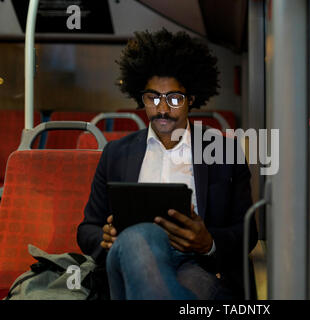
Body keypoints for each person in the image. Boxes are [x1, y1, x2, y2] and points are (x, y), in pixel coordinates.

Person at [77, 29, 258, 300]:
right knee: (138, 238)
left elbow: (248, 232)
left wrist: (208, 242)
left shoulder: (224, 152)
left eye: (174, 98)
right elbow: (86, 229)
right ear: (142, 99)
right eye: (153, 98)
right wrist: (105, 238)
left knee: (192, 288)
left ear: (191, 100)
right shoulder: (116, 153)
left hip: (196, 262)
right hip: (128, 258)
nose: (162, 109)